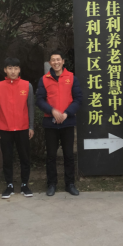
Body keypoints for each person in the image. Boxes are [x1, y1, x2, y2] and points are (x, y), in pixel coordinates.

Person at [36, 50, 83, 197]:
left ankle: (70, 184)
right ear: (50, 63)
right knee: (51, 156)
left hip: (67, 122)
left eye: (58, 60)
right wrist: (52, 111)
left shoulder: (71, 77)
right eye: (53, 60)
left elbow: (78, 99)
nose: (56, 62)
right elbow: (40, 100)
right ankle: (51, 184)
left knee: (68, 155)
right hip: (50, 123)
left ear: (63, 61)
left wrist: (66, 113)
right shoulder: (44, 79)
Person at [0, 58, 35, 199]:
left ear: (19, 70)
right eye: (10, 68)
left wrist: (31, 126)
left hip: (23, 128)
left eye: (16, 68)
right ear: (5, 70)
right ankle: (9, 185)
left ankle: (24, 184)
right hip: (4, 128)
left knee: (25, 158)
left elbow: (30, 107)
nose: (13, 71)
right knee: (7, 158)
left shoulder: (27, 85)